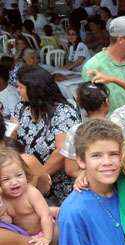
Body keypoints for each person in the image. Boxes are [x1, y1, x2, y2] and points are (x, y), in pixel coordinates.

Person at [9, 65, 80, 204]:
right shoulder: (21, 108)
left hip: (56, 183)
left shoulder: (64, 112)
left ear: (34, 89)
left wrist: (38, 177)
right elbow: (12, 140)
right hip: (26, 180)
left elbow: (61, 151)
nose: (17, 91)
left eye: (20, 87)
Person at [61, 69, 125, 177]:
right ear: (106, 102)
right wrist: (113, 79)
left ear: (81, 105)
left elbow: (71, 170)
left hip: (92, 185)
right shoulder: (119, 120)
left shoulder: (75, 131)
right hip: (119, 180)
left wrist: (93, 176)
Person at [0, 148, 54, 245]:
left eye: (19, 175)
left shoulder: (31, 193)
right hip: (25, 237)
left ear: (26, 173)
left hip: (44, 231)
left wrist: (46, 237)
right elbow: (8, 220)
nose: (14, 182)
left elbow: (45, 216)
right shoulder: (4, 197)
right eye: (6, 179)